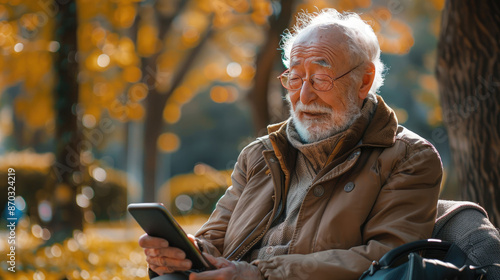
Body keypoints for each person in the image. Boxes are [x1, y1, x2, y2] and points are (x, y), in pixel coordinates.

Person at [139, 8, 443, 280]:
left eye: (321, 79)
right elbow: (214, 239)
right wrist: (181, 254)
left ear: (364, 81)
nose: (304, 96)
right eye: (295, 79)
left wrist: (258, 274)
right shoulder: (259, 154)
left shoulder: (409, 157)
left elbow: (389, 259)